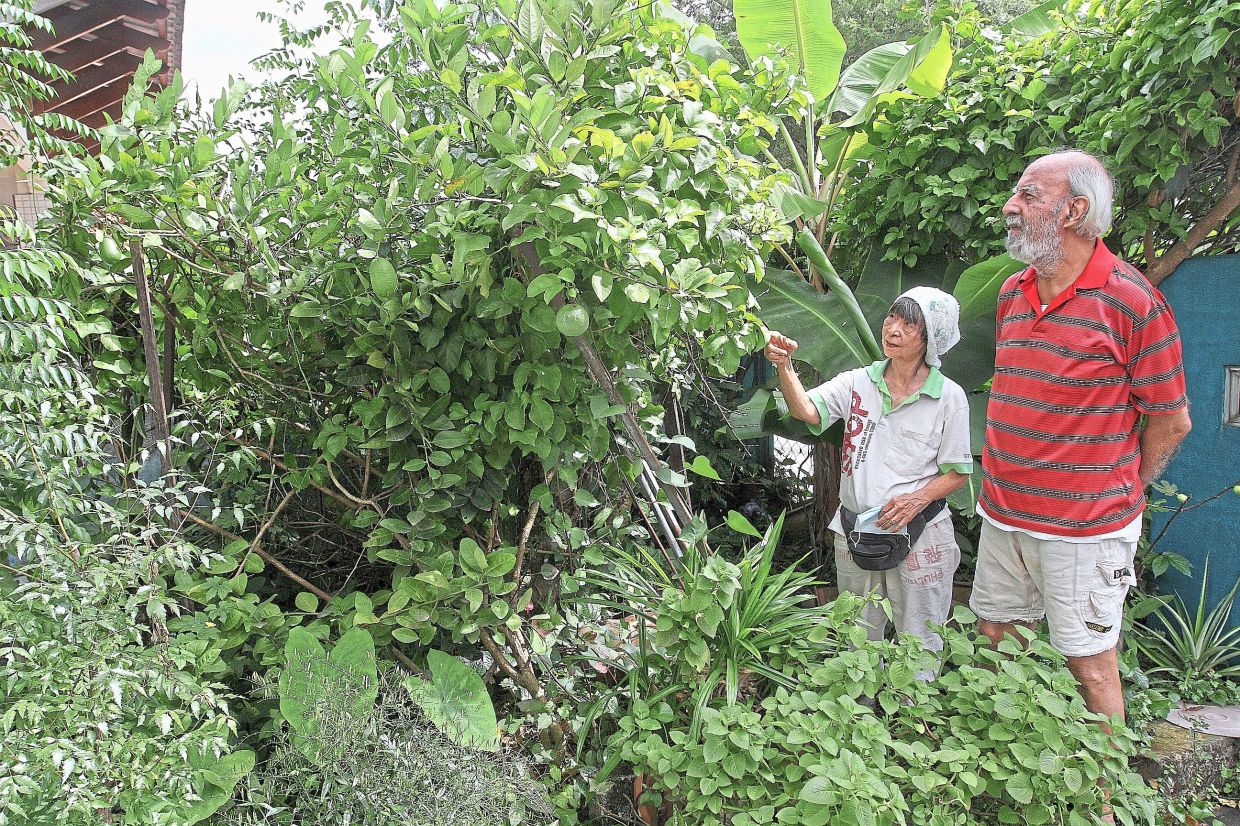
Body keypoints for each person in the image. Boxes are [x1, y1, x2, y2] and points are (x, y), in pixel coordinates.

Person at [971, 149, 1192, 725]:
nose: (1009, 206)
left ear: (1073, 210)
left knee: (1091, 665)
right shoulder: (1013, 292)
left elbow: (1171, 420)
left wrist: (1120, 490)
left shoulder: (1132, 302)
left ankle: (1106, 805)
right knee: (995, 640)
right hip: (1004, 516)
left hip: (1086, 531)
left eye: (1028, 195)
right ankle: (1011, 775)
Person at [765, 287, 972, 673]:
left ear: (931, 339)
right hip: (855, 531)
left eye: (909, 325)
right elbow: (808, 411)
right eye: (891, 318)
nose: (892, 329)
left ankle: (914, 717)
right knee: (857, 632)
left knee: (921, 637)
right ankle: (859, 718)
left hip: (920, 534)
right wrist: (785, 367)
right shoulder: (858, 382)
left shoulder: (949, 397)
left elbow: (959, 472)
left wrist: (915, 501)